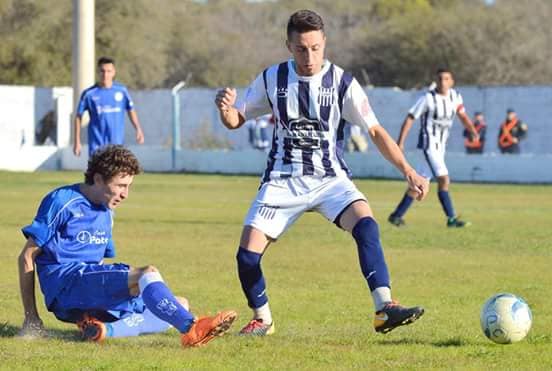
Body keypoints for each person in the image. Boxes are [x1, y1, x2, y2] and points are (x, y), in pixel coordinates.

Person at [215, 10, 429, 336]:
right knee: (246, 258)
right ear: (288, 45)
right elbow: (236, 120)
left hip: (330, 179)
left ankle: (384, 307)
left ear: (324, 42)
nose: (309, 56)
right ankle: (263, 319)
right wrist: (225, 109)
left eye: (315, 48)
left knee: (367, 225)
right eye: (301, 48)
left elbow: (374, 131)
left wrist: (408, 171)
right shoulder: (272, 78)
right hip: (282, 180)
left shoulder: (343, 83)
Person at [18, 145, 236, 346]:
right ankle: (192, 328)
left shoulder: (107, 212)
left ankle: (103, 330)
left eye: (129, 186)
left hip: (86, 291)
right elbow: (26, 257)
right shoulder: (62, 201)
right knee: (146, 273)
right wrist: (31, 318)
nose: (125, 194)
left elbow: (100, 263)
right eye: (121, 185)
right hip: (66, 285)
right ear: (99, 179)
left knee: (180, 303)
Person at [388, 68, 479, 228]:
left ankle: (396, 216)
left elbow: (462, 115)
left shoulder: (455, 97)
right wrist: (400, 142)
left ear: (452, 82)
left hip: (440, 146)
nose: (443, 82)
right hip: (428, 144)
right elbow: (410, 118)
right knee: (444, 179)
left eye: (446, 79)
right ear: (436, 81)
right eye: (440, 79)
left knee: (420, 183)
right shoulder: (427, 98)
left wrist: (472, 130)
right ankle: (451, 219)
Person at [73, 57, 145, 157]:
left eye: (108, 71)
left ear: (114, 72)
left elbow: (130, 109)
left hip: (116, 143)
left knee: (116, 171)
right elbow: (78, 116)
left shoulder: (121, 91)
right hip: (96, 144)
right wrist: (77, 141)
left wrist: (138, 129)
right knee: (97, 172)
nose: (105, 75)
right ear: (98, 72)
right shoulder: (89, 94)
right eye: (102, 71)